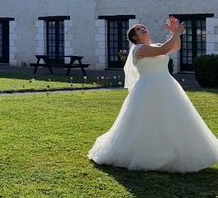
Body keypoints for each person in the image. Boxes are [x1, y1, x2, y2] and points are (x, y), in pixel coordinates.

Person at [88, 16, 218, 173]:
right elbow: (163, 50)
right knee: (147, 121)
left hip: (167, 86)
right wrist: (175, 34)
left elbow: (175, 47)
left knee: (173, 118)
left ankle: (174, 151)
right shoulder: (139, 49)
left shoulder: (155, 45)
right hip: (148, 89)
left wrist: (174, 34)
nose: (142, 28)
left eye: (143, 26)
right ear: (135, 37)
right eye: (138, 28)